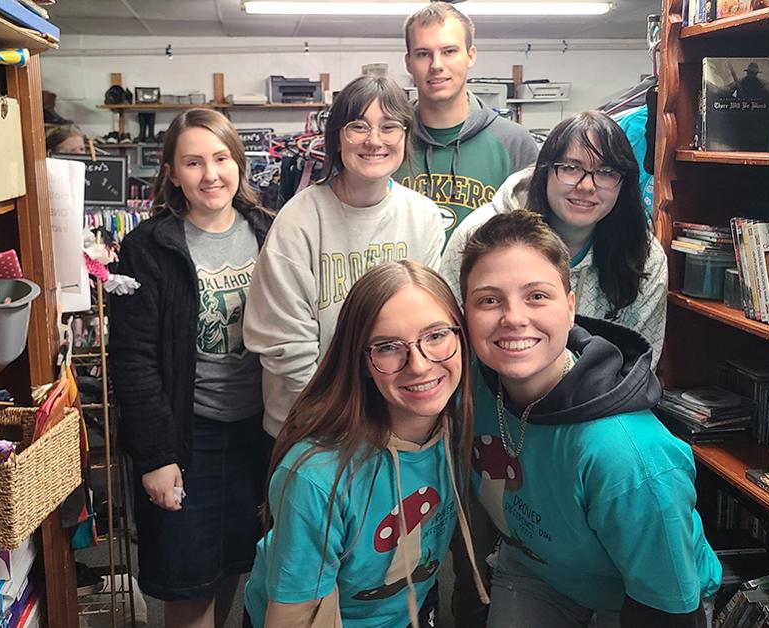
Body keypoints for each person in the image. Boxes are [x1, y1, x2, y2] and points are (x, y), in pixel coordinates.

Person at [459, 210, 721, 628]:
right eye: (489, 300)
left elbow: (667, 609)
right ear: (465, 315)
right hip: (536, 570)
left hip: (635, 602)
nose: (513, 317)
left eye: (536, 296)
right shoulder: (466, 381)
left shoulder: (628, 458)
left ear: (570, 308)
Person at [244, 260, 488, 628]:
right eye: (388, 346)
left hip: (408, 610)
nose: (419, 365)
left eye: (436, 335)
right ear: (362, 361)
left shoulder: (461, 425)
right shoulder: (317, 477)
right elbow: (295, 618)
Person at [108, 108, 274, 628]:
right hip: (188, 438)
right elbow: (134, 361)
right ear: (173, 172)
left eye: (221, 158)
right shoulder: (148, 247)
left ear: (239, 163)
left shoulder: (271, 232)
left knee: (232, 567)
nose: (211, 174)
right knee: (186, 578)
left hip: (258, 434)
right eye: (194, 162)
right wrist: (156, 455)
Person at [244, 75, 446, 438]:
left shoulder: (424, 217)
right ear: (337, 136)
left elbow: (427, 330)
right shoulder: (298, 221)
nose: (374, 140)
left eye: (389, 127)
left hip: (393, 421)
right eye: (358, 126)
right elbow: (284, 345)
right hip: (309, 425)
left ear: (405, 136)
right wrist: (342, 425)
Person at [441, 111, 668, 367]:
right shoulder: (480, 237)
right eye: (571, 168)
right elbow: (446, 335)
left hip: (600, 401)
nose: (586, 186)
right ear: (545, 171)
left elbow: (639, 365)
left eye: (605, 172)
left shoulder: (643, 255)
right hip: (489, 390)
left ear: (623, 183)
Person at [395, 2, 538, 240]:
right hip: (406, 277)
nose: (437, 65)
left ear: (470, 56)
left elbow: (533, 237)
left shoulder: (515, 142)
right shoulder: (389, 140)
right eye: (423, 54)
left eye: (449, 51)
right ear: (408, 61)